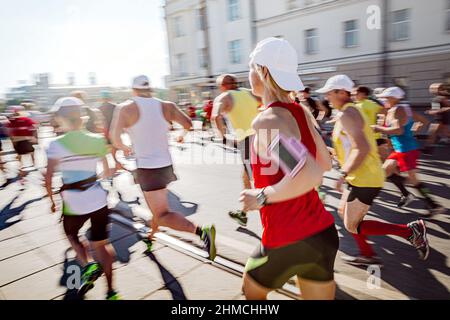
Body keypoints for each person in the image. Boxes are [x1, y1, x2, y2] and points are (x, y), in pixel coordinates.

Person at [240, 37, 338, 300]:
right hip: (322, 233)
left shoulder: (268, 119)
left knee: (250, 292)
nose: (248, 74)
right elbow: (325, 163)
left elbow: (308, 172)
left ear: (262, 71)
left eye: (251, 67)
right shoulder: (299, 111)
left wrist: (260, 196)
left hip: (287, 238)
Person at [317, 75, 430, 266]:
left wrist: (343, 174)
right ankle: (368, 255)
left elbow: (362, 148)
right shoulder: (348, 111)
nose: (327, 97)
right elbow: (351, 146)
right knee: (343, 210)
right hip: (360, 175)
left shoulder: (347, 114)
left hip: (364, 178)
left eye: (330, 92)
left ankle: (411, 231)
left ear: (342, 92)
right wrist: (331, 153)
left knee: (352, 225)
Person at [110, 75, 217, 259]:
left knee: (161, 214)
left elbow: (115, 138)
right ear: (150, 89)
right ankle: (151, 237)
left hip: (147, 168)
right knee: (158, 208)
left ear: (133, 90)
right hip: (165, 165)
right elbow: (188, 124)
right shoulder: (167, 106)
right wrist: (181, 135)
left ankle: (202, 232)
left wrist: (126, 148)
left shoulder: (126, 108)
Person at [45, 97, 119, 300]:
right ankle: (112, 292)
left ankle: (88, 266)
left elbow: (49, 176)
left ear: (61, 118)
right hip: (98, 199)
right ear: (81, 118)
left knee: (71, 235)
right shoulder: (96, 140)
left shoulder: (55, 145)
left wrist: (51, 200)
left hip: (74, 202)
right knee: (102, 245)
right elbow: (107, 169)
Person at [372, 87, 445, 216]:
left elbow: (398, 130)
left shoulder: (396, 110)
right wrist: (414, 130)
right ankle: (407, 193)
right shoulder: (404, 109)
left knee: (414, 180)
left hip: (406, 150)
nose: (383, 101)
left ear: (394, 98)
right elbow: (424, 121)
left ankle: (434, 205)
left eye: (386, 98)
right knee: (385, 171)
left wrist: (378, 128)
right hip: (401, 148)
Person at [211, 74, 260, 226]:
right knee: (246, 177)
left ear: (222, 86)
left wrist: (223, 137)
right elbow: (265, 103)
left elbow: (215, 117)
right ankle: (243, 213)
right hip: (264, 135)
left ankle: (274, 220)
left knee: (258, 181)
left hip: (247, 140)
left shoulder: (224, 96)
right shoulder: (249, 92)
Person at [352, 86, 389, 161]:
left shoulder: (366, 104)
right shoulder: (362, 104)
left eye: (356, 94)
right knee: (382, 158)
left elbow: (384, 112)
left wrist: (380, 125)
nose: (354, 96)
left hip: (371, 137)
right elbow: (385, 112)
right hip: (372, 136)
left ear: (363, 94)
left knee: (381, 158)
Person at [6, 105, 37, 172]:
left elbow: (10, 132)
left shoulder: (12, 121)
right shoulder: (26, 119)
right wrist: (34, 137)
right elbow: (34, 127)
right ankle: (34, 164)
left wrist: (12, 141)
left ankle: (21, 166)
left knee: (20, 154)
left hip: (17, 139)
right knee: (31, 152)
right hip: (27, 138)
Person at [423, 83, 450, 154]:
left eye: (434, 88)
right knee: (434, 133)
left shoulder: (442, 98)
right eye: (431, 88)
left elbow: (445, 108)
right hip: (439, 119)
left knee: (432, 133)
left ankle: (428, 148)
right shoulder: (436, 98)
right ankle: (428, 148)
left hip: (441, 119)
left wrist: (431, 111)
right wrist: (432, 111)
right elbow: (436, 109)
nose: (432, 90)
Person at [98, 90, 121, 170]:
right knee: (114, 147)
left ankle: (111, 164)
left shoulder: (99, 108)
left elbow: (99, 121)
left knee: (109, 148)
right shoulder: (115, 106)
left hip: (106, 130)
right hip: (114, 129)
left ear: (102, 98)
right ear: (109, 98)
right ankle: (116, 162)